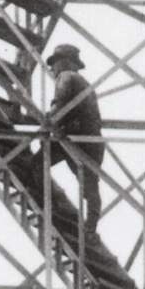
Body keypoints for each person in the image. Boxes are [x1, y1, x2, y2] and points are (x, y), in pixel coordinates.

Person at [38, 44, 108, 264]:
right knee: (90, 186)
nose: (54, 68)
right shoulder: (82, 82)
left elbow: (60, 106)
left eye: (56, 62)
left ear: (66, 62)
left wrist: (45, 127)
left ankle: (49, 203)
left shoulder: (66, 78)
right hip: (88, 139)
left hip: (75, 139)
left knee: (37, 163)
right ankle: (90, 229)